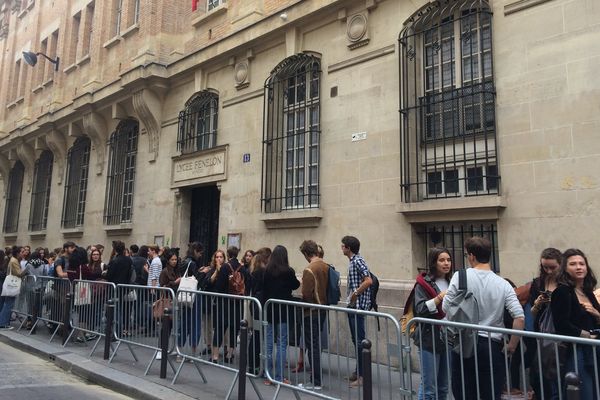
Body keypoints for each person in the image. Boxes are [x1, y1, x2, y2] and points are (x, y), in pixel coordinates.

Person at [442, 236, 524, 400]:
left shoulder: (461, 276)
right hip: (492, 345)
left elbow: (446, 307)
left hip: (464, 342)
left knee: (464, 392)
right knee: (490, 393)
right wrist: (512, 346)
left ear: (471, 256)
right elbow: (519, 317)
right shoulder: (503, 283)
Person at [551, 248, 600, 400]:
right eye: (573, 264)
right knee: (583, 393)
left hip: (594, 350)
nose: (579, 267)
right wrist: (587, 336)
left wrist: (597, 314)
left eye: (582, 263)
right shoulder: (562, 291)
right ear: (565, 268)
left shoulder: (588, 292)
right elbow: (561, 324)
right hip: (577, 351)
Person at [413, 248, 451, 400]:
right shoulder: (423, 284)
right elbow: (420, 309)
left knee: (443, 387)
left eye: (448, 259)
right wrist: (438, 298)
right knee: (429, 387)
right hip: (429, 338)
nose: (446, 263)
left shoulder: (452, 281)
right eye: (442, 260)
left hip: (448, 337)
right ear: (433, 263)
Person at [526, 247, 562, 398]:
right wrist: (537, 303)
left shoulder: (565, 283)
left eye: (552, 267)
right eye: (545, 267)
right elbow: (532, 313)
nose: (548, 271)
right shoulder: (538, 283)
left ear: (561, 264)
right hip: (541, 336)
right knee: (540, 376)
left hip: (560, 336)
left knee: (558, 377)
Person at [263, 245, 300, 385]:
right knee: (282, 344)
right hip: (284, 311)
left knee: (268, 343)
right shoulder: (288, 271)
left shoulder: (267, 271)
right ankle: (279, 377)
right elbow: (295, 285)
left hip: (270, 309)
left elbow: (264, 289)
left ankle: (267, 375)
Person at [341, 236, 373, 388]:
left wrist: (355, 293)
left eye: (343, 246)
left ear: (348, 247)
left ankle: (362, 376)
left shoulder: (357, 261)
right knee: (357, 340)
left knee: (360, 341)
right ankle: (358, 371)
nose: (341, 248)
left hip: (358, 306)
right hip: (354, 305)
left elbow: (368, 280)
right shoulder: (354, 261)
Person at [297, 240, 328, 390]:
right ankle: (316, 380)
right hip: (323, 309)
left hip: (312, 311)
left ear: (305, 253)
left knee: (313, 346)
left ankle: (315, 381)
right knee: (316, 345)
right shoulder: (326, 266)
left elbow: (306, 294)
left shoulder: (309, 269)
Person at [210, 246, 247, 363]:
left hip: (224, 302)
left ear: (228, 254)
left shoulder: (225, 267)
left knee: (220, 329)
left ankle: (215, 356)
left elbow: (219, 286)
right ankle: (229, 356)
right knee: (234, 329)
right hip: (237, 303)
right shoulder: (243, 268)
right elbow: (249, 283)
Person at [176, 242, 209, 361]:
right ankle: (193, 354)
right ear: (195, 251)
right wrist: (203, 273)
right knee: (195, 324)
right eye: (200, 252)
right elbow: (196, 280)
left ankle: (179, 352)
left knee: (183, 323)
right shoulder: (192, 263)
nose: (200, 255)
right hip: (193, 296)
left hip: (184, 296)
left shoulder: (184, 261)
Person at [247, 247, 271, 374]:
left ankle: (252, 364)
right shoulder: (262, 272)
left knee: (255, 335)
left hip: (255, 304)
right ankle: (255, 365)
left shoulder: (253, 271)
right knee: (258, 336)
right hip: (260, 305)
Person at [157, 249, 181, 360]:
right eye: (172, 259)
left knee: (173, 327)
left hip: (176, 301)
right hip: (168, 300)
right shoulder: (165, 271)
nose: (174, 261)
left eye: (176, 259)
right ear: (168, 260)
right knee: (165, 326)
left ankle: (171, 348)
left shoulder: (178, 271)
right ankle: (161, 349)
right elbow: (162, 287)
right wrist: (174, 283)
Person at [106, 241, 134, 336]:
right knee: (120, 309)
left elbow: (109, 275)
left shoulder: (114, 261)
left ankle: (115, 331)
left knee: (115, 310)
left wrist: (105, 274)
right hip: (124, 287)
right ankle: (119, 330)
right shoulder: (129, 260)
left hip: (114, 287)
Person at [0, 247, 23, 329]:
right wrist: (26, 271)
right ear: (17, 253)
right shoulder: (14, 261)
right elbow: (19, 273)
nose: (23, 253)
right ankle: (3, 323)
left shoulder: (13, 260)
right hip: (12, 284)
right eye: (22, 251)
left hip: (9, 283)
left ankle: (3, 322)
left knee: (6, 303)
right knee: (9, 303)